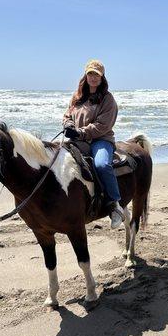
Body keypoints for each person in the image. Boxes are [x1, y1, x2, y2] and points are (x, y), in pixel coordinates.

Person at [62, 59, 125, 228]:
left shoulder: (107, 99)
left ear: (102, 77)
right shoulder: (77, 96)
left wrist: (80, 132)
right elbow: (68, 115)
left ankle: (115, 204)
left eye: (96, 74)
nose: (93, 77)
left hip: (101, 140)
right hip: (79, 139)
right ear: (86, 75)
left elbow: (102, 126)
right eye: (90, 73)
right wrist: (68, 124)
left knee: (102, 164)